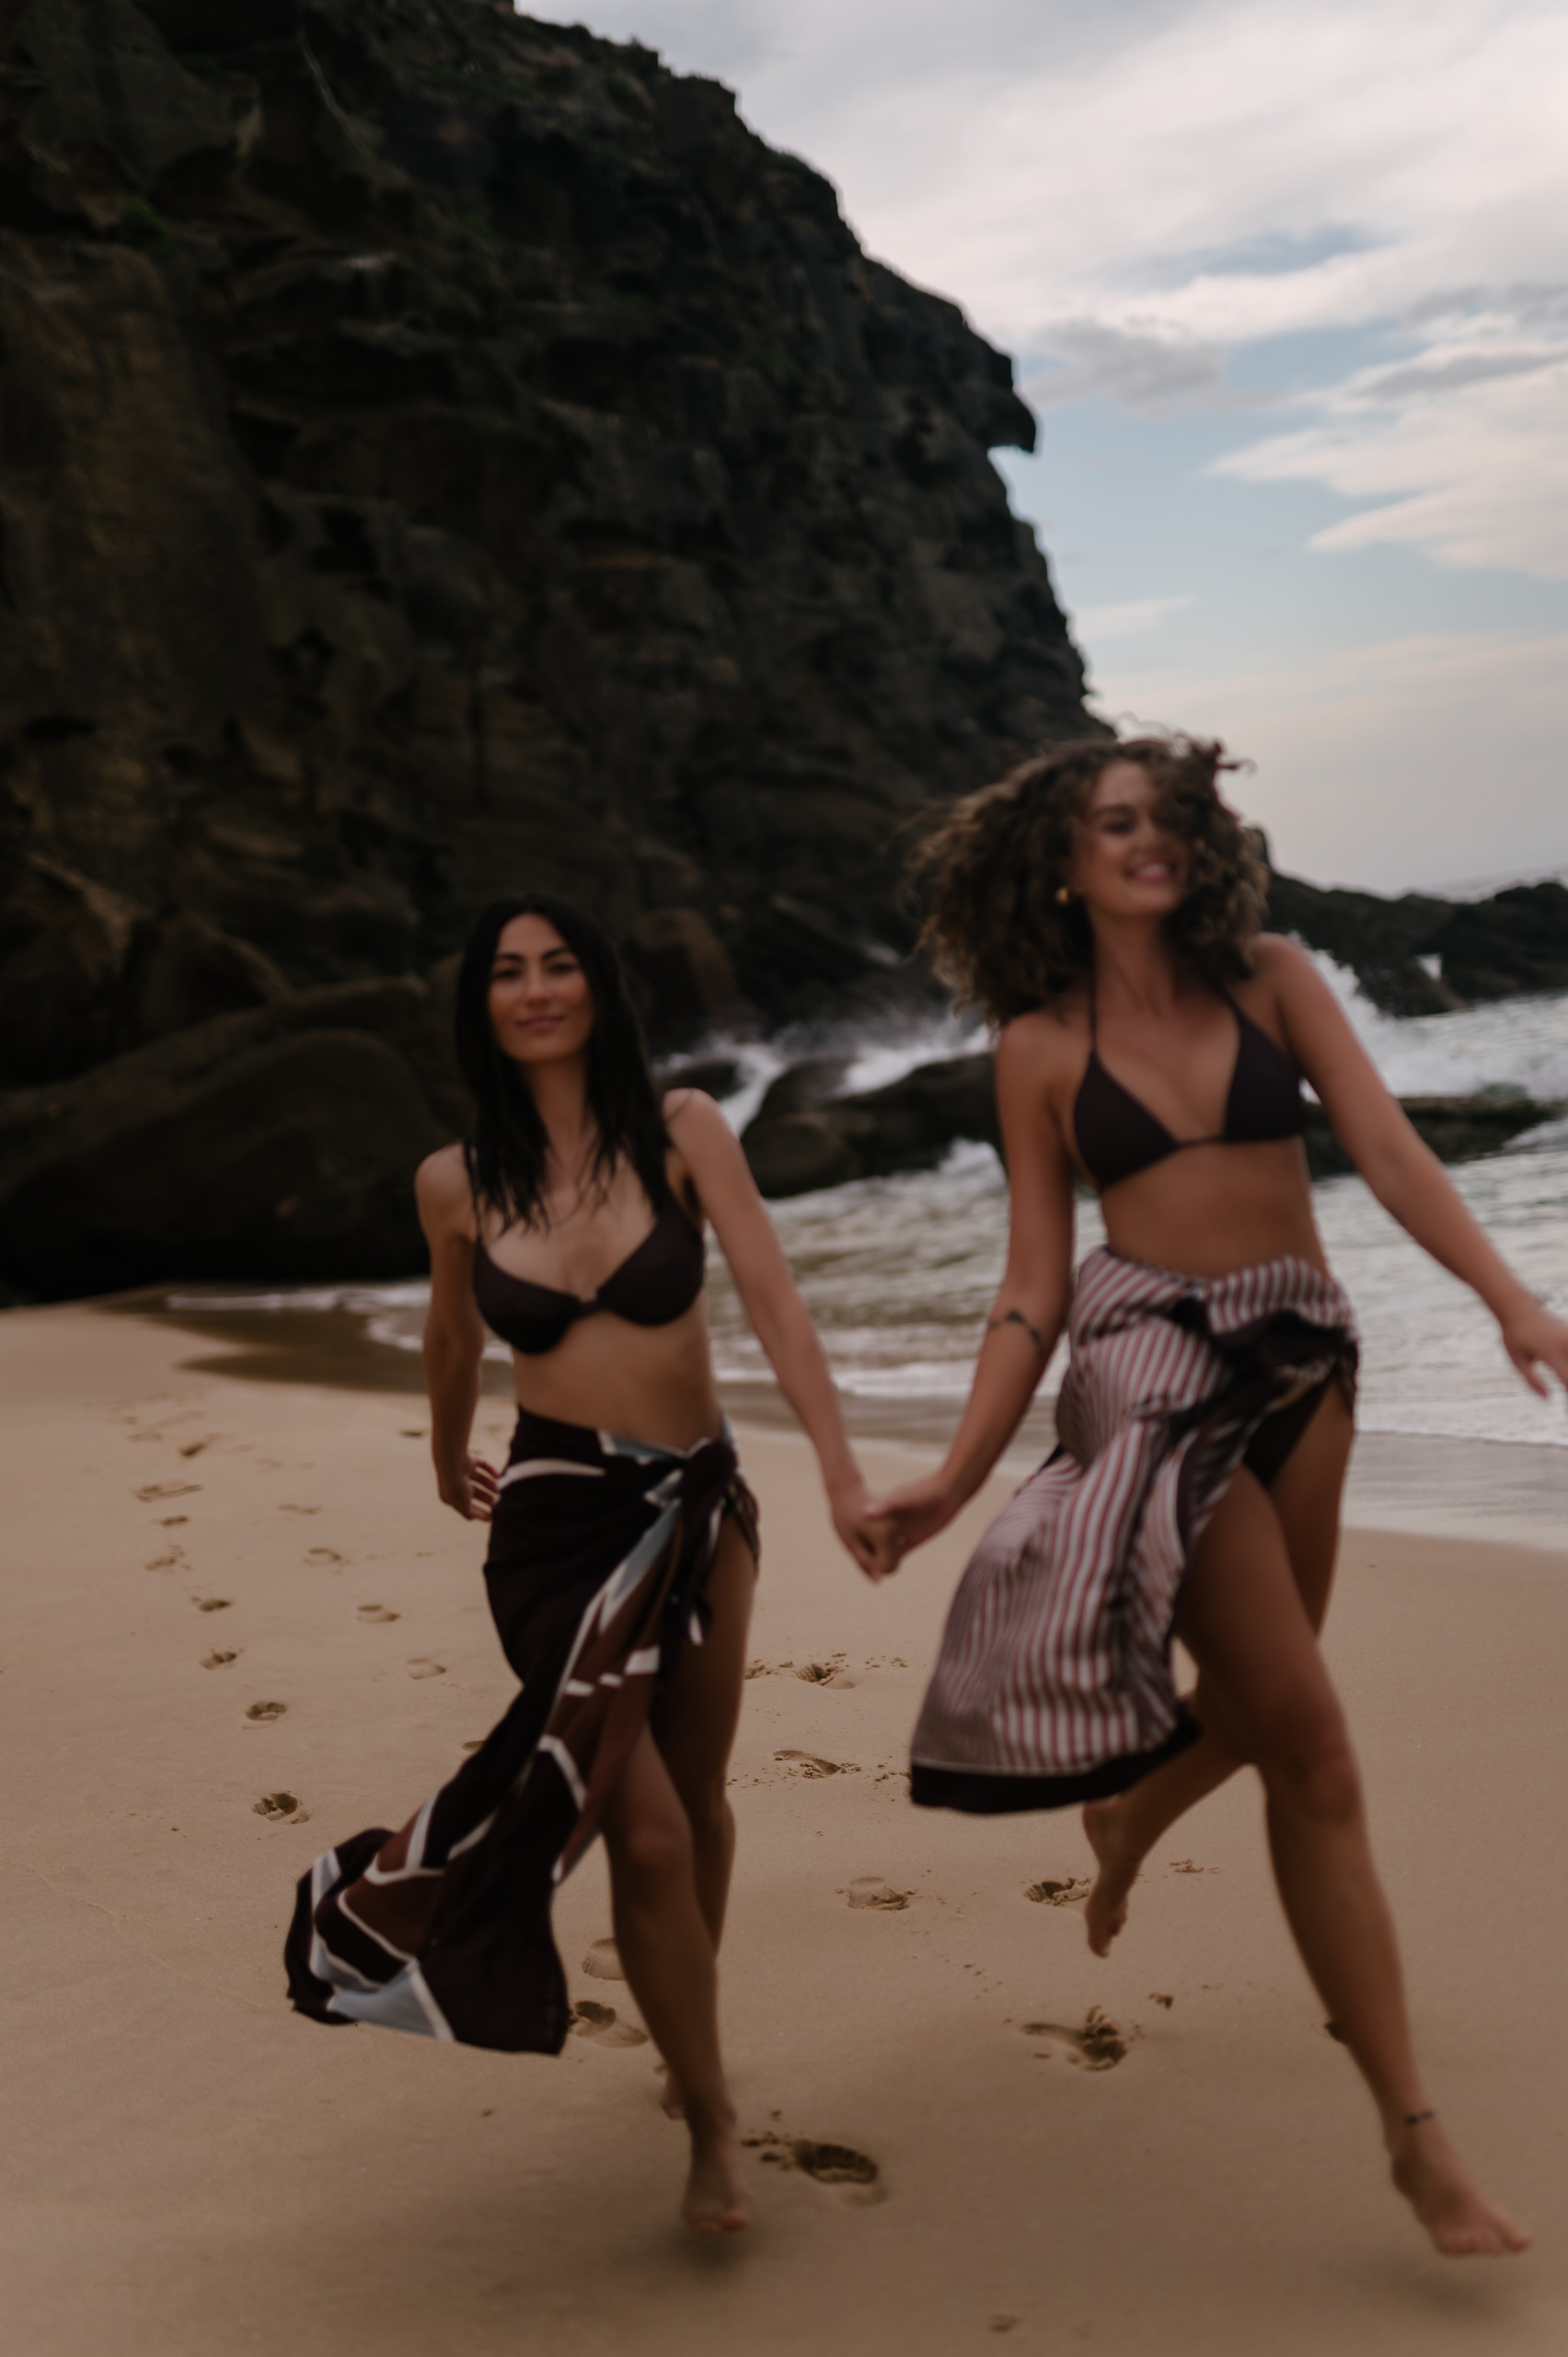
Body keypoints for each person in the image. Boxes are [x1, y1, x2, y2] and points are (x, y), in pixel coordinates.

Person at [864, 734, 1567, 2258]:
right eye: (1115, 824)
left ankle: (1126, 1814)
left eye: (1166, 814)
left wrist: (1515, 1297)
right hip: (1149, 1379)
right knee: (1315, 1740)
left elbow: (1384, 1149)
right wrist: (957, 1470)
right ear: (1062, 863)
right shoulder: (1040, 1047)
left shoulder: (1276, 975)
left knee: (1259, 1713)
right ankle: (1415, 2138)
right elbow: (1033, 1284)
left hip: (1305, 1360)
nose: (1149, 840)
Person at [285, 891, 875, 2236]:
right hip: (554, 1528)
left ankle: (686, 2030)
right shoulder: (455, 1178)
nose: (537, 987)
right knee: (646, 1824)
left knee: (705, 1801)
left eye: (560, 965)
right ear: (480, 1003)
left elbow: (774, 1297)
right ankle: (714, 2122)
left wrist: (840, 1467)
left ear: (600, 987)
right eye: (508, 970)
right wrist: (446, 1456)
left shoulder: (683, 1130)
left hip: (700, 1509)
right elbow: (451, 1339)